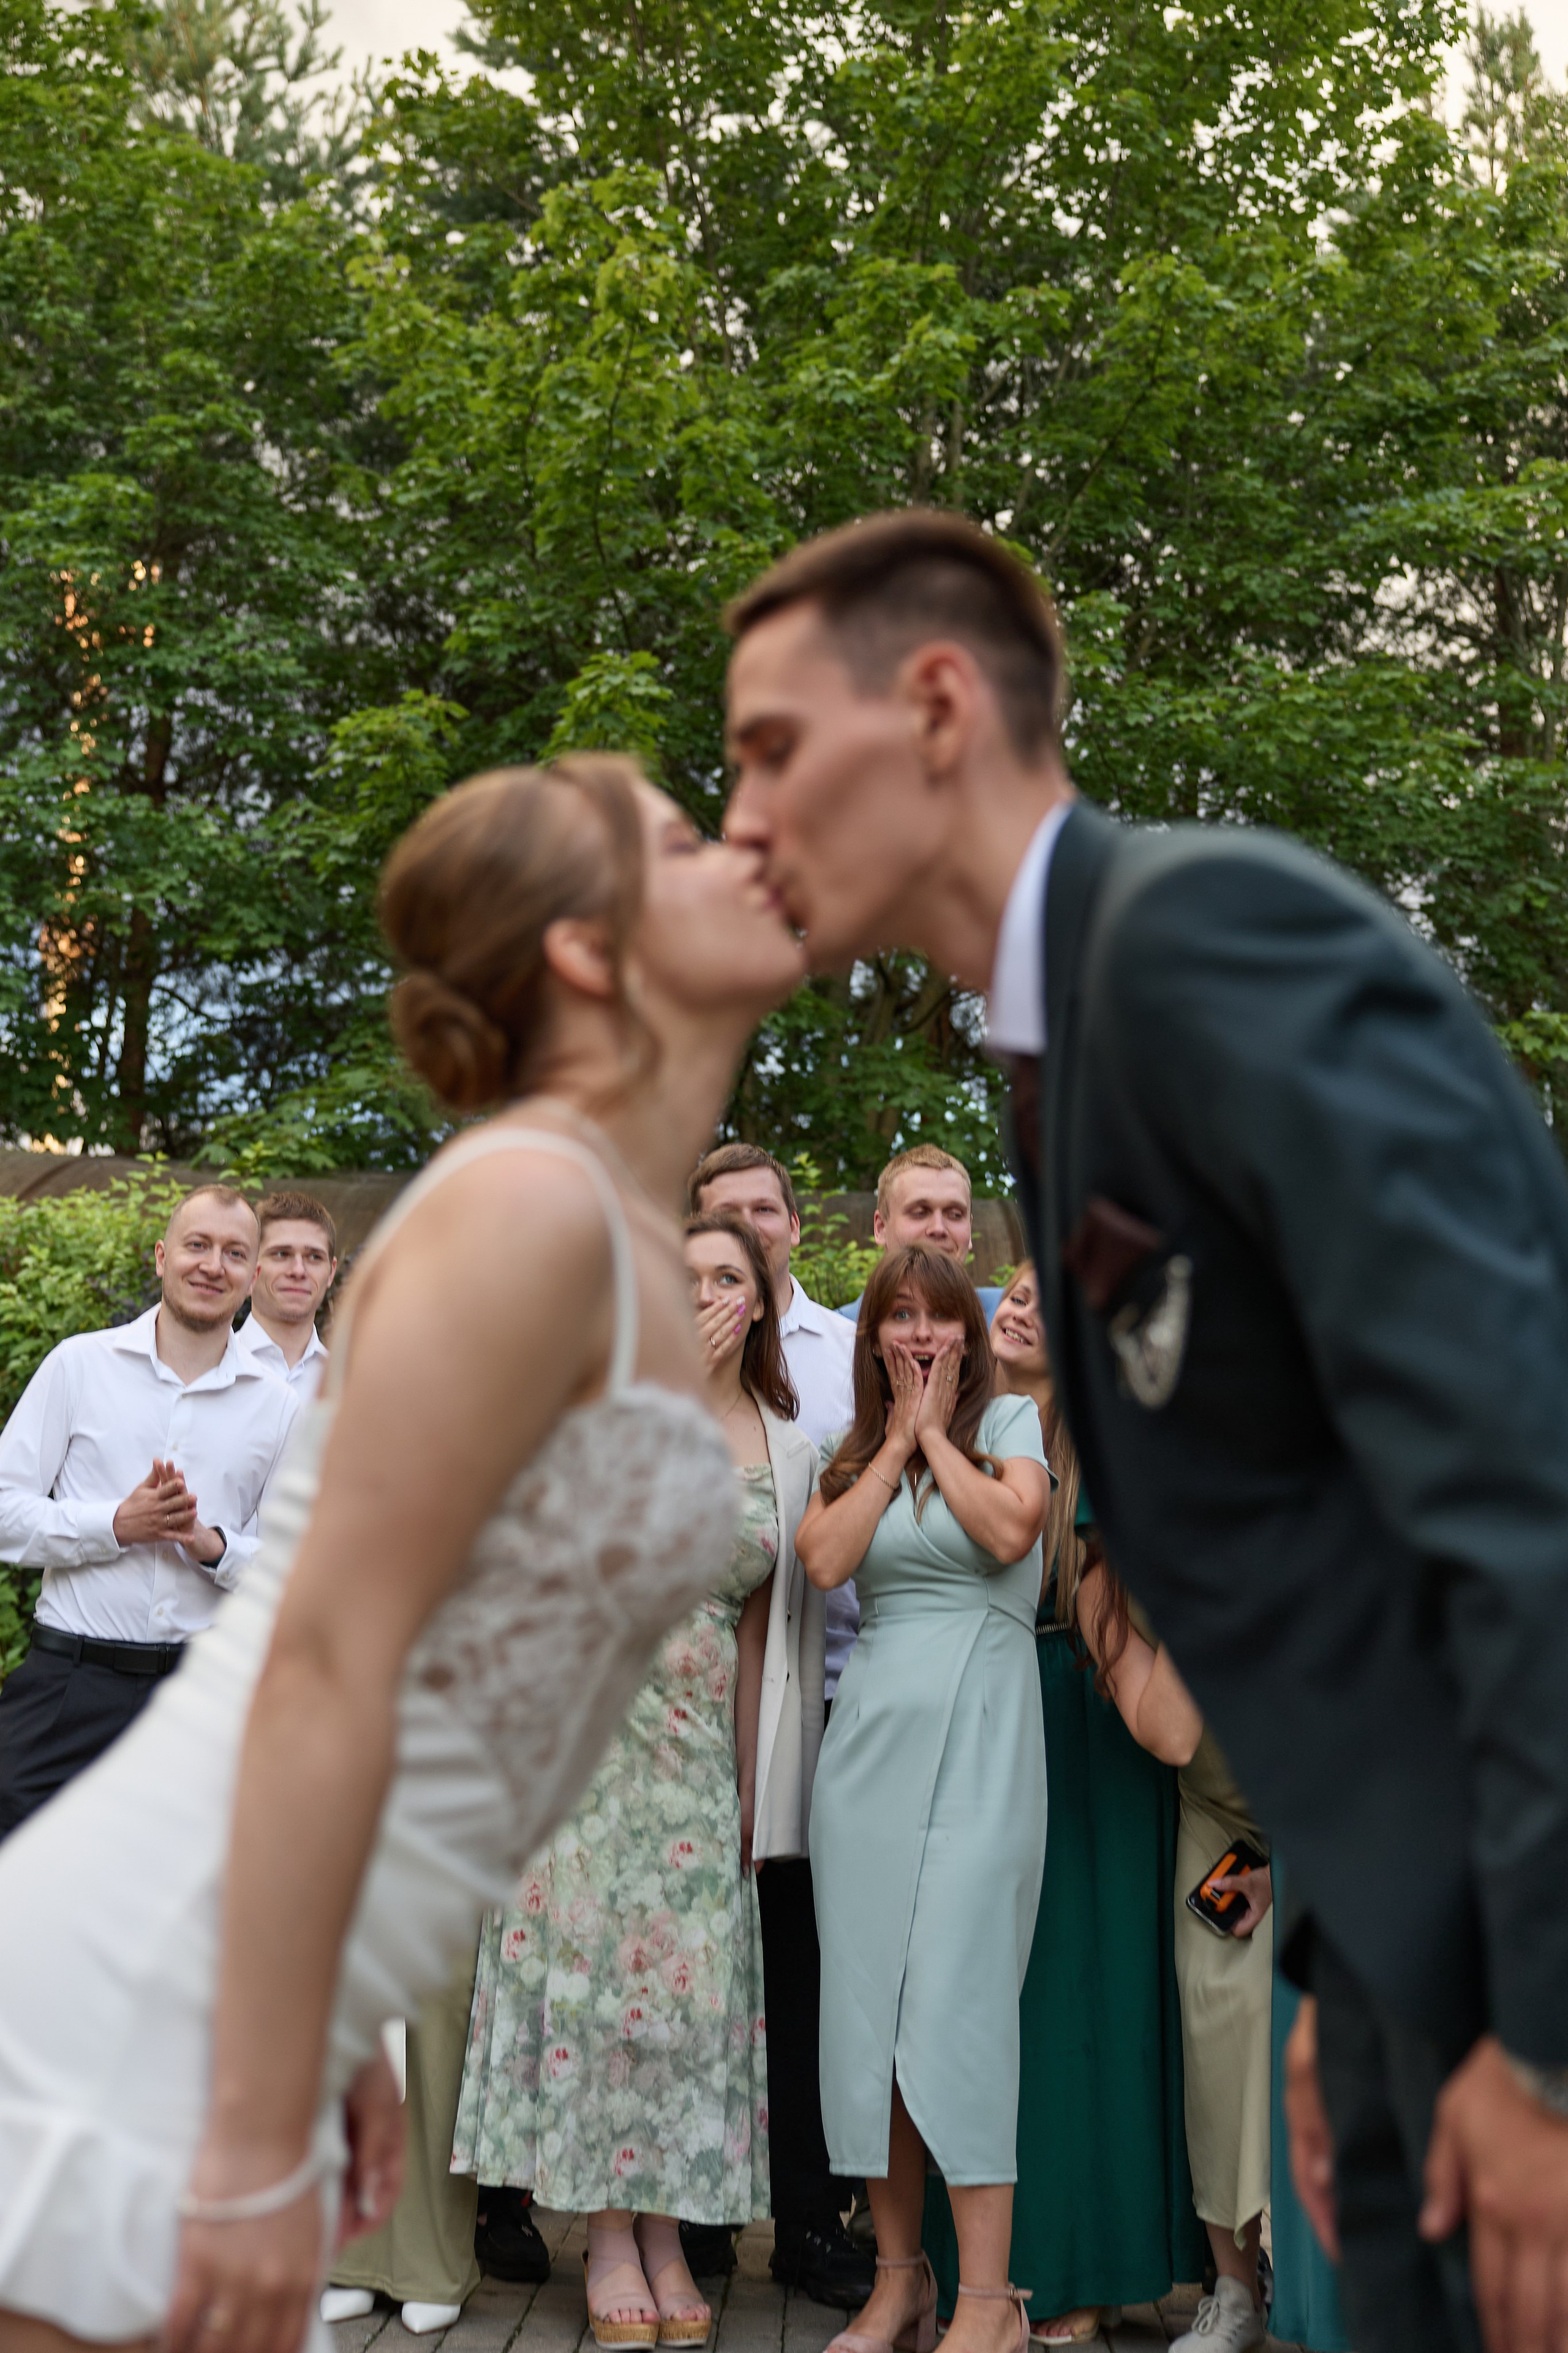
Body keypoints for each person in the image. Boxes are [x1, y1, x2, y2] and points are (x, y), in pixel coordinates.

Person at [722, 504, 1568, 2353]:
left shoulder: (1208, 939)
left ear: (937, 700)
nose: (744, 820)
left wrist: (1532, 2035)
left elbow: (1520, 1485)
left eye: (772, 746)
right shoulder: (1057, 1055)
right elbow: (1325, 1535)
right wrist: (1346, 1967)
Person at [0, 749, 805, 2353]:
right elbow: (322, 1658)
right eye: (677, 838)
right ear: (588, 951)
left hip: (270, 1972)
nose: (740, 848)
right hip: (168, 1947)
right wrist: (250, 2129)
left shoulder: (632, 1237)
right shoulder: (530, 1206)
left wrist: (348, 2021)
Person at [451, 1210, 812, 2349]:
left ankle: (666, 2232)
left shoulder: (785, 1441)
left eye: (726, 1277)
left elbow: (762, 1631)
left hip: (701, 1756)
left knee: (684, 2002)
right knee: (603, 1991)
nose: (705, 1293)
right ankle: (610, 2236)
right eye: (684, 1277)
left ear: (759, 1298)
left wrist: (759, 1781)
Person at [922, 1264, 1205, 2345]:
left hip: (1091, 1719)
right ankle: (991, 2267)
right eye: (1020, 1283)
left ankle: (1091, 2264)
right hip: (978, 1721)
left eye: (1056, 1287)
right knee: (998, 2001)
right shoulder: (961, 1418)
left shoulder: (1120, 1440)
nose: (1028, 1299)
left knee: (1095, 1997)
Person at [797, 1243, 1049, 2353]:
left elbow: (1008, 1532)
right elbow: (822, 1561)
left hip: (985, 1742)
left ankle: (988, 2300)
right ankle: (900, 2284)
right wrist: (895, 1439)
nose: (918, 1334)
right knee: (870, 2025)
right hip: (868, 1761)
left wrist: (939, 1432)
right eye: (896, 1316)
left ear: (970, 1331)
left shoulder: (1009, 1433)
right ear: (872, 1337)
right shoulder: (848, 1451)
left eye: (938, 1316)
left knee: (959, 2008)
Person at [687, 1142, 874, 2311]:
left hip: (819, 1699)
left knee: (798, 1969)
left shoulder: (845, 1356)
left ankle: (808, 2218)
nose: (746, 1235)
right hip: (682, 1711)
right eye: (722, 1223)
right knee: (704, 1975)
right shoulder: (649, 1369)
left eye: (765, 1212)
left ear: (794, 1229)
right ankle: (699, 2221)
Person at [0, 1184, 298, 1838]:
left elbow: (298, 1567)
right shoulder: (80, 1366)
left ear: (252, 1279)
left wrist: (213, 1545)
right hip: (66, 1689)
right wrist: (112, 1526)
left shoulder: (280, 1408)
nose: (211, 1264)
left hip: (197, 1703)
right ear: (161, 1256)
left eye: (233, 1253)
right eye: (197, 1245)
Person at [1071, 1563, 1273, 2353]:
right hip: (1218, 1822)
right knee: (1219, 2015)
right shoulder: (1102, 1581)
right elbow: (1173, 1731)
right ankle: (1234, 2289)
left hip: (1325, 1809)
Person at [836, 1146, 1002, 1326]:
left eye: (955, 1214)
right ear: (881, 1228)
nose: (939, 1228)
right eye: (919, 1212)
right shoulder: (836, 1333)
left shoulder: (1010, 1322)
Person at [237, 1193, 338, 1399]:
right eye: (282, 1254)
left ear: (331, 1272)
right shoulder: (210, 1370)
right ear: (250, 1265)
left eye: (314, 1257)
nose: (299, 1271)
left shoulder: (347, 1385)